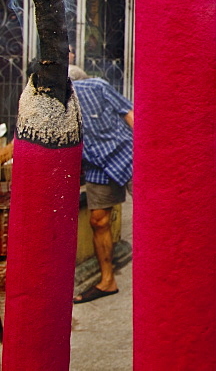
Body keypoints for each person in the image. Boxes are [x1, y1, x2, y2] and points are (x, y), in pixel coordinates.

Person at [72, 70, 134, 304]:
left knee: (154, 217)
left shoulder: (96, 86)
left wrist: (148, 153)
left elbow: (129, 113)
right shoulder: (51, 103)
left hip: (127, 154)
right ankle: (107, 281)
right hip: (96, 163)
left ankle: (166, 276)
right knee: (98, 220)